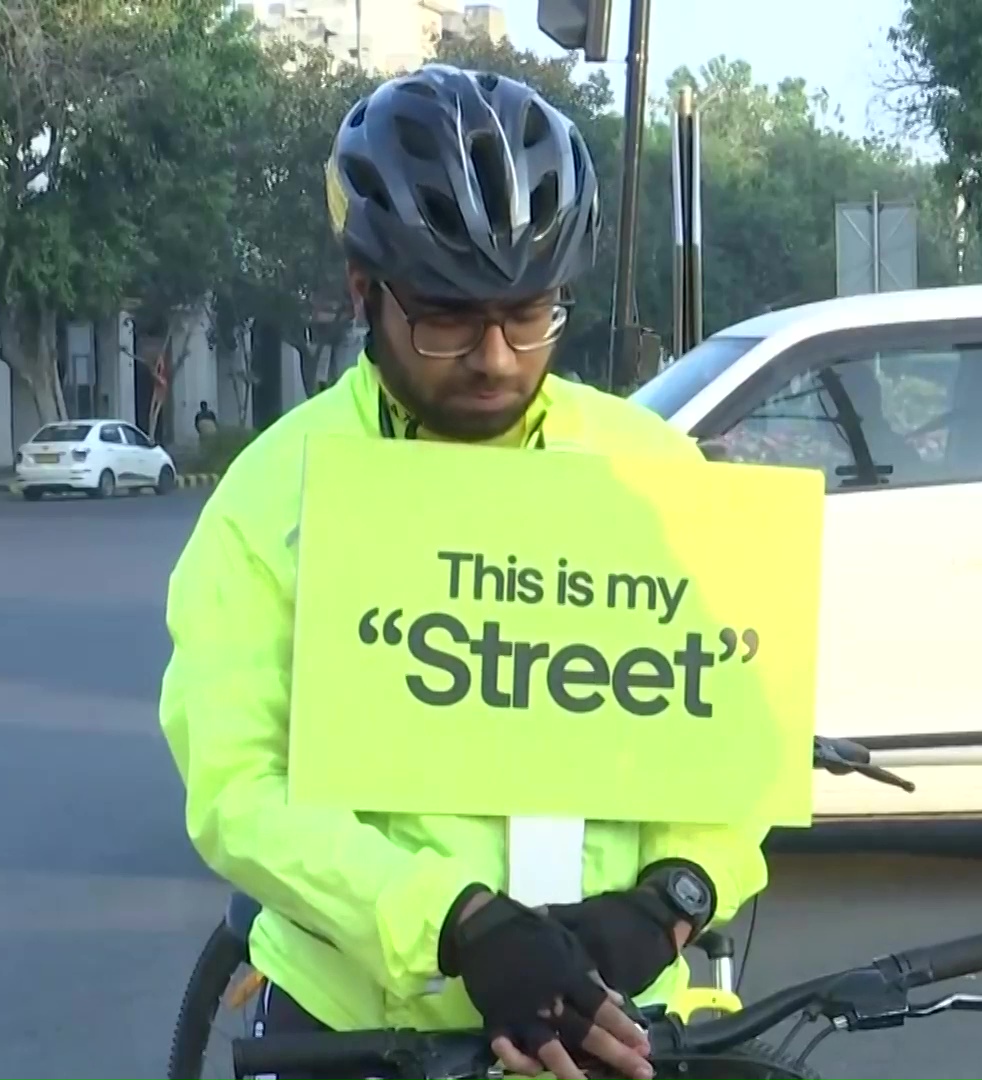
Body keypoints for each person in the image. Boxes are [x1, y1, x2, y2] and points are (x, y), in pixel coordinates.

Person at [160, 65, 768, 1080]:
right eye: (447, 318)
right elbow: (237, 786)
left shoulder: (650, 472)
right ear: (364, 290)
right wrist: (454, 922)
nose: (494, 356)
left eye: (529, 315)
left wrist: (673, 898)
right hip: (359, 1026)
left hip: (610, 1025)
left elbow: (729, 734)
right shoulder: (273, 496)